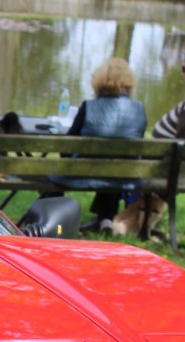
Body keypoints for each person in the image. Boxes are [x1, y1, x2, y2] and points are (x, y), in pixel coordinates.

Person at [58, 57, 147, 224]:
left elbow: (67, 147)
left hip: (85, 173)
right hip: (125, 174)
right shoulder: (138, 109)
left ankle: (50, 215)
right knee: (114, 165)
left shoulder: (88, 107)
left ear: (99, 81)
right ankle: (106, 218)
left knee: (101, 165)